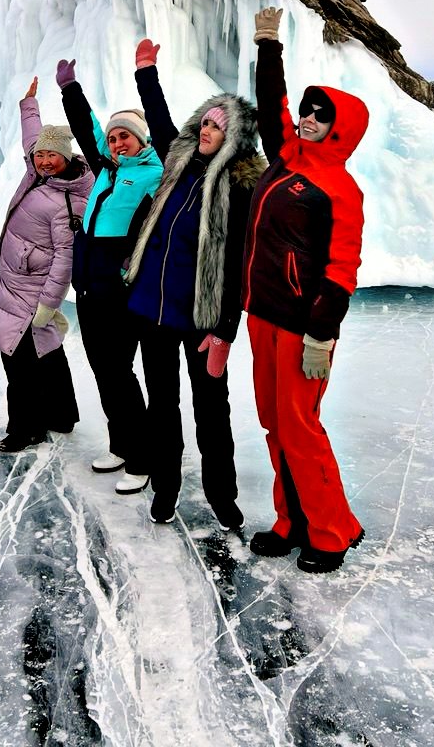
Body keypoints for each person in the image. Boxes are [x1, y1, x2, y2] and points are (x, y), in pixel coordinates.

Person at [243, 7, 369, 573]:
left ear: (340, 127)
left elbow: (342, 268)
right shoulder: (287, 159)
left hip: (302, 325)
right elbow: (272, 109)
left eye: (322, 115)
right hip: (263, 315)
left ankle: (331, 532)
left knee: (301, 426)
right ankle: (291, 520)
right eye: (308, 110)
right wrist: (269, 46)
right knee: (274, 421)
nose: (310, 118)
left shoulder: (340, 189)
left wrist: (322, 333)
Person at [125, 38, 265, 528]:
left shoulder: (242, 185)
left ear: (235, 138)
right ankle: (166, 489)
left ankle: (222, 497)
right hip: (151, 311)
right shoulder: (178, 162)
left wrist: (226, 329)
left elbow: (239, 265)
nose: (207, 130)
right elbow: (159, 120)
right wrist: (146, 72)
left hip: (201, 319)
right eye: (204, 121)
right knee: (162, 408)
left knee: (212, 413)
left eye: (217, 127)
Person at [55, 57, 164, 494]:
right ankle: (121, 443)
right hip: (90, 287)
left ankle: (142, 457)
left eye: (126, 137)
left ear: (143, 140)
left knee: (119, 371)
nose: (118, 143)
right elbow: (87, 130)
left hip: (121, 288)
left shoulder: (155, 174)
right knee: (103, 370)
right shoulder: (107, 170)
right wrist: (70, 91)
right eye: (115, 137)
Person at [0, 77, 94, 452]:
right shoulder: (39, 173)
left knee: (18, 359)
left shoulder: (69, 199)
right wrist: (29, 105)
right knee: (46, 351)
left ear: (67, 158)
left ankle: (24, 429)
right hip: (15, 279)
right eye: (41, 156)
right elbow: (33, 142)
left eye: (51, 156)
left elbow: (66, 257)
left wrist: (48, 304)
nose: (43, 161)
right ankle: (62, 415)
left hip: (31, 289)